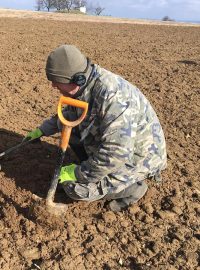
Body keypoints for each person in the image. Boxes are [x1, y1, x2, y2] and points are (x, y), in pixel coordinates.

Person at [26, 44, 167, 212]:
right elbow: (69, 113)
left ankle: (133, 188)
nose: (53, 86)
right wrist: (41, 130)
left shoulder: (113, 97)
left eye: (57, 82)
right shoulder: (86, 84)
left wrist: (79, 174)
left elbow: (117, 152)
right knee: (68, 127)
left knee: (76, 189)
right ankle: (92, 167)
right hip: (117, 146)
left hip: (137, 158)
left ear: (77, 79)